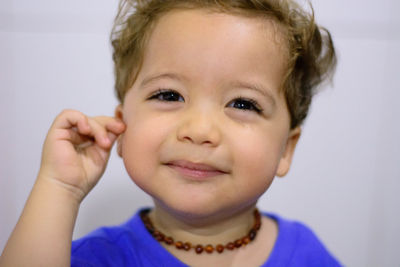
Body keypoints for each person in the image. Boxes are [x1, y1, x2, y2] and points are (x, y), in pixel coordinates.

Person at [0, 0, 341, 266]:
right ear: (122, 126)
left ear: (285, 149)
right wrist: (59, 188)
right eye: (168, 95)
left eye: (242, 103)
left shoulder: (308, 254)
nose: (199, 130)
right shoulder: (98, 259)